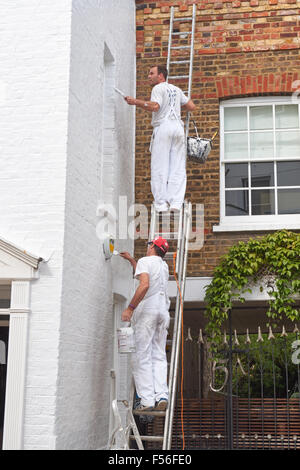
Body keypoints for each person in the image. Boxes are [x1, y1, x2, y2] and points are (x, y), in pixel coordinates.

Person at [125, 65, 196, 212]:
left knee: (159, 166)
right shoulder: (176, 90)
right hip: (178, 128)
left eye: (152, 73)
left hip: (163, 127)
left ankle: (161, 203)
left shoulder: (158, 88)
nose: (149, 76)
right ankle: (176, 202)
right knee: (177, 167)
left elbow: (155, 107)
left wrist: (135, 102)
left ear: (161, 76)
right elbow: (191, 106)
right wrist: (174, 107)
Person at [120, 236, 170, 411]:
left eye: (149, 244)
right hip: (162, 312)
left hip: (148, 312)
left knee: (141, 355)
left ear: (152, 247)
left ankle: (147, 400)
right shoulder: (163, 266)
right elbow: (147, 277)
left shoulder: (146, 260)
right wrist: (132, 261)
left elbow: (144, 284)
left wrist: (130, 308)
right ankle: (162, 395)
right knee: (158, 355)